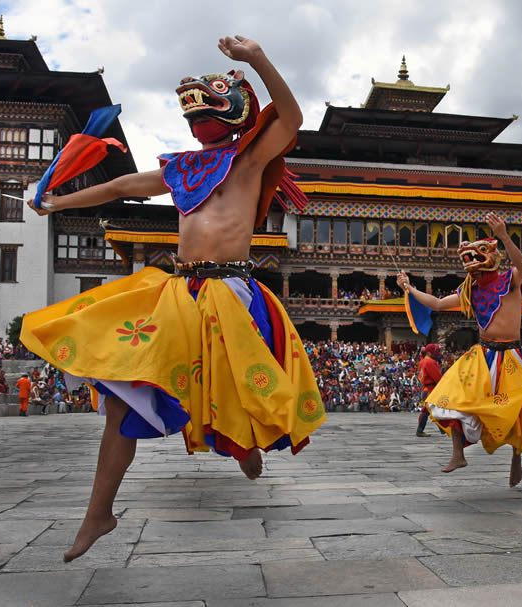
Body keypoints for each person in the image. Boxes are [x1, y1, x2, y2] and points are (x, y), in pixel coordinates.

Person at [21, 35, 325, 562]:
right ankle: (100, 512)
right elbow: (119, 189)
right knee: (122, 394)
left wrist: (255, 59)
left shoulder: (249, 161)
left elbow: (292, 118)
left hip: (231, 293)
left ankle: (245, 449)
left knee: (238, 396)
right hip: (178, 293)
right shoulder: (182, 169)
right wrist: (56, 203)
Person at [396, 212, 522, 487]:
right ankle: (458, 454)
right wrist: (409, 288)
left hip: (512, 355)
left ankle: (516, 458)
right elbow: (436, 304)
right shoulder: (470, 290)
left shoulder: (511, 280)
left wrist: (504, 235)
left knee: (516, 410)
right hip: (482, 355)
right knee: (452, 397)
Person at [416, 344, 443, 437]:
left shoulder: (422, 361)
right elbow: (438, 378)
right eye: (436, 351)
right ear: (429, 352)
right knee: (429, 409)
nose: (438, 353)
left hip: (425, 389)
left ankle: (442, 429)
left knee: (432, 409)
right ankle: (420, 430)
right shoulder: (431, 362)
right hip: (431, 389)